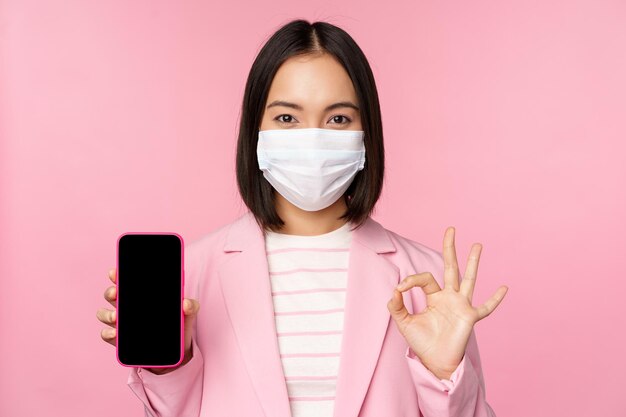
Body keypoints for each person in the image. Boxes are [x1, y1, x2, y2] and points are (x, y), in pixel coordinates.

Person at [96, 19, 508, 417]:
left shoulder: (427, 280)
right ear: (255, 132)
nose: (312, 137)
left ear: (367, 135)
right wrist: (171, 365)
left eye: (338, 119)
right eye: (287, 118)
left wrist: (445, 375)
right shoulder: (193, 276)